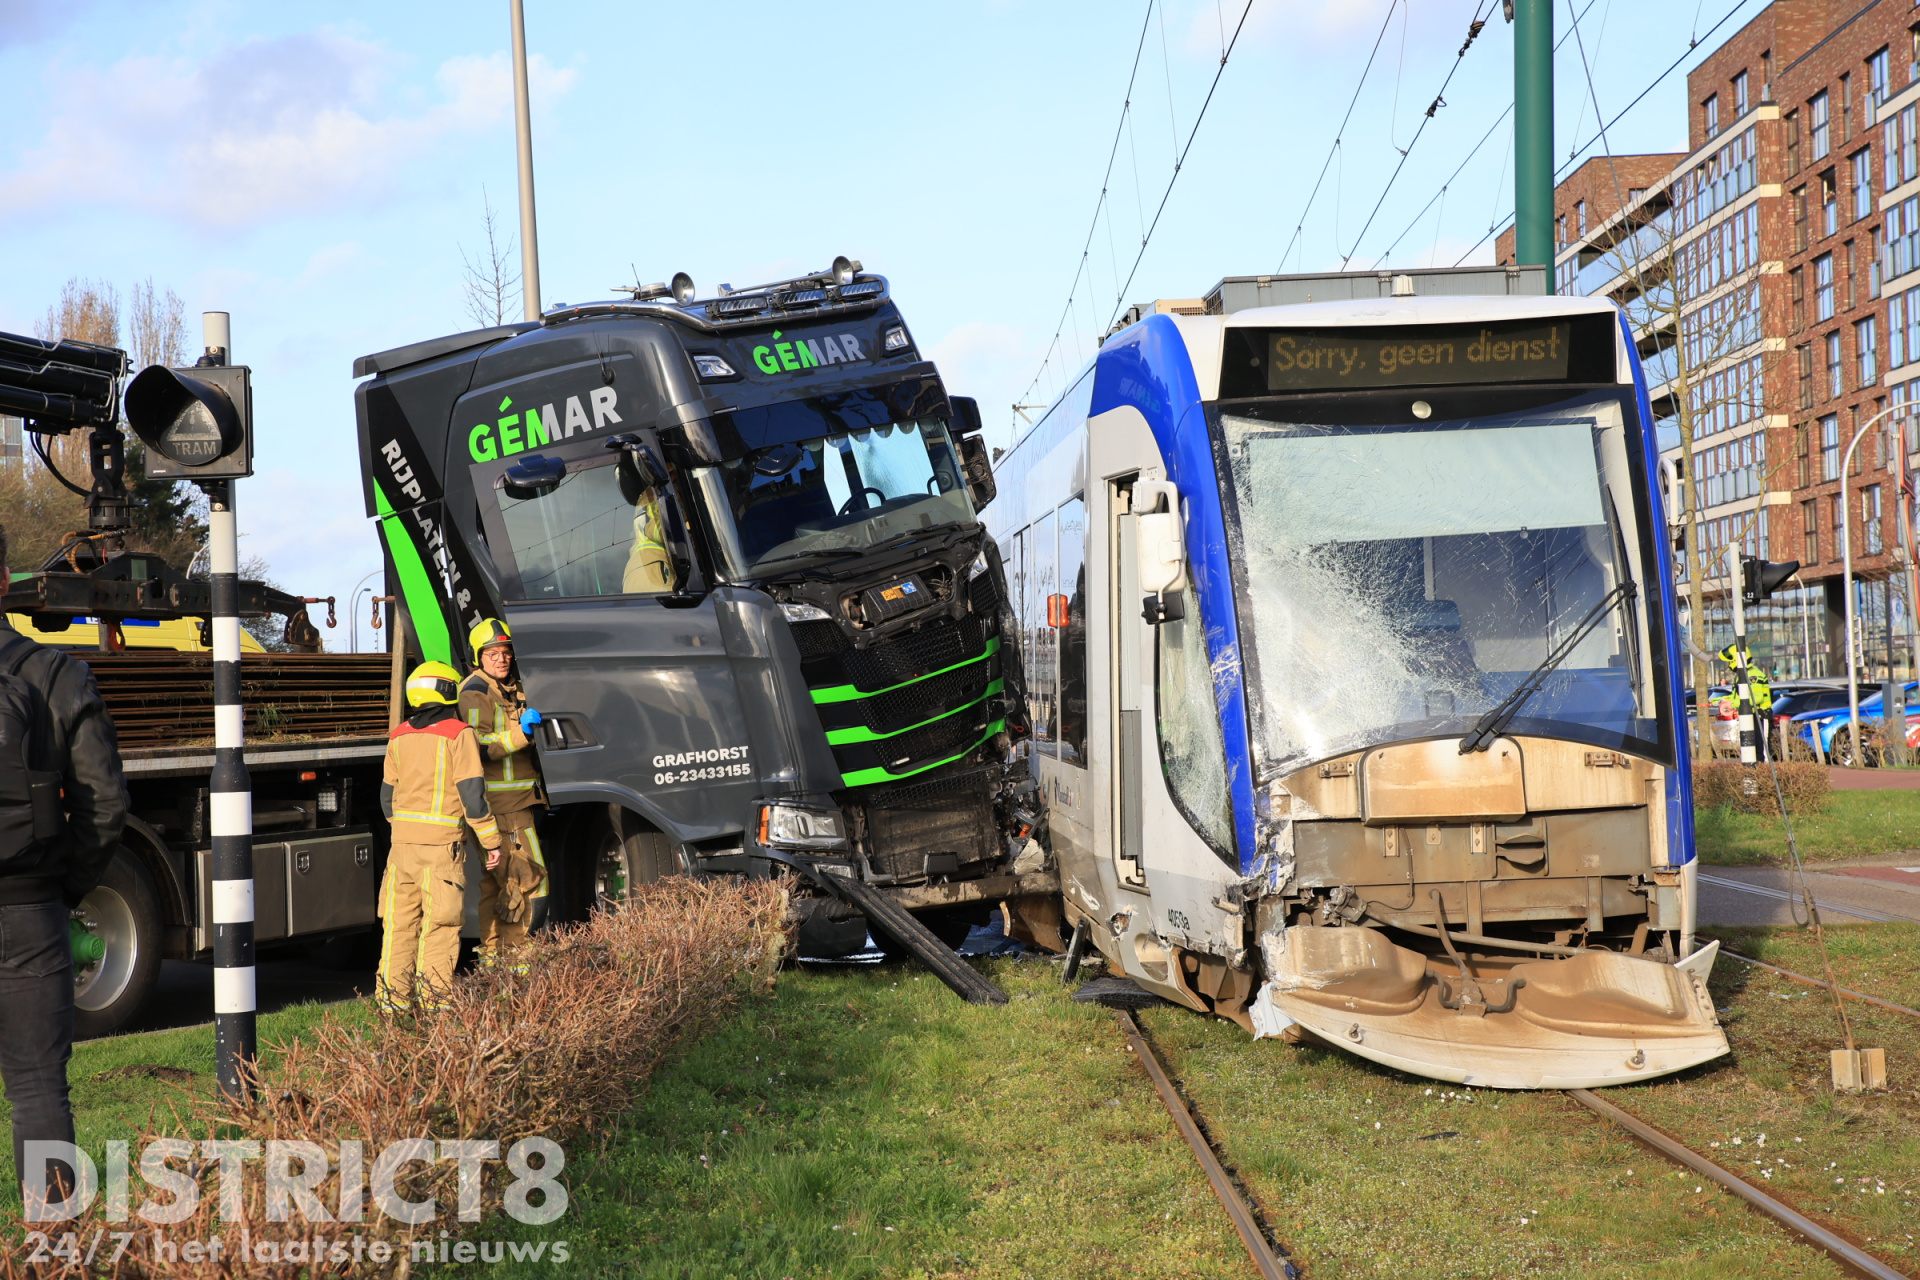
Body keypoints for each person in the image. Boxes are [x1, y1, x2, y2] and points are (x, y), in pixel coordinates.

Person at [0, 523, 128, 1207]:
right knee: (38, 1088)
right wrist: (63, 887)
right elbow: (104, 803)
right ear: (5, 581)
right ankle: (52, 1244)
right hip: (29, 910)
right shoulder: (56, 674)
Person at [378, 661, 501, 1009]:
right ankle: (435, 1008)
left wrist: (405, 830)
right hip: (441, 849)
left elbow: (387, 798)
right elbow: (473, 797)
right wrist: (492, 843)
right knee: (441, 927)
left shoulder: (398, 735)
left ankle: (393, 1005)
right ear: (448, 691)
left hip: (401, 849)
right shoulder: (459, 734)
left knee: (399, 927)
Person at [459, 619, 548, 965]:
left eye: (506, 652)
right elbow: (476, 748)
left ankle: (494, 963)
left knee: (495, 886)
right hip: (503, 806)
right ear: (477, 657)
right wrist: (522, 734)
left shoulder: (510, 687)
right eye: (492, 653)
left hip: (514, 802)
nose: (502, 659)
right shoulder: (474, 692)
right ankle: (518, 965)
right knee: (526, 881)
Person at [1718, 642, 1775, 759]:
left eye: (1730, 661)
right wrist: (1719, 701)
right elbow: (1737, 696)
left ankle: (1763, 770)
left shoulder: (1753, 675)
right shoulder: (1743, 675)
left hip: (1760, 716)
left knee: (1761, 751)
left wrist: (1732, 704)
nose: (1729, 665)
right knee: (1750, 751)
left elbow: (1757, 698)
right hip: (1749, 716)